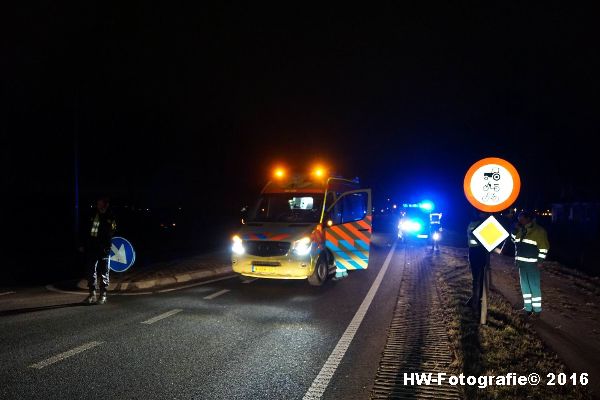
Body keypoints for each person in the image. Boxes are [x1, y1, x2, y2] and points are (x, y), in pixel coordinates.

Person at [511, 210, 549, 317]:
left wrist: (540, 261)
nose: (519, 221)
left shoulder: (539, 231)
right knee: (525, 287)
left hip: (533, 264)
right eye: (519, 219)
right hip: (522, 264)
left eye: (521, 219)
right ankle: (527, 309)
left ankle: (537, 310)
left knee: (534, 287)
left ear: (528, 219)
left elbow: (544, 248)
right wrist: (514, 230)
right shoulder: (520, 229)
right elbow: (513, 241)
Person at [81, 196, 116, 305]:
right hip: (92, 247)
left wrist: (106, 245)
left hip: (104, 248)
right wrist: (82, 244)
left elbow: (112, 231)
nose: (98, 205)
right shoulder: (92, 214)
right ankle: (92, 294)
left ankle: (103, 294)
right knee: (91, 270)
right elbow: (85, 229)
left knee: (104, 271)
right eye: (98, 203)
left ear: (106, 204)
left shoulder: (110, 216)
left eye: (100, 203)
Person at [466, 210, 490, 313]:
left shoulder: (472, 222)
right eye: (484, 213)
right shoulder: (481, 223)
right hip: (479, 251)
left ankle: (475, 299)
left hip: (472, 251)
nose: (486, 215)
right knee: (479, 278)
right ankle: (476, 301)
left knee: (477, 278)